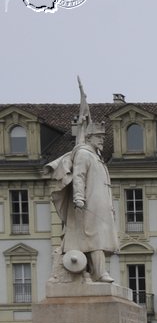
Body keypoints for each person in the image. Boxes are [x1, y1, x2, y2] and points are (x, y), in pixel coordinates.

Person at [43, 101, 117, 284]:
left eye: (103, 137)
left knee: (99, 235)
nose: (102, 140)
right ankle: (99, 273)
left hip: (101, 203)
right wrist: (78, 198)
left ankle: (95, 272)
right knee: (94, 237)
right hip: (89, 202)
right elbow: (78, 177)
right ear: (89, 137)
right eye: (99, 137)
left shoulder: (96, 157)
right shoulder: (84, 154)